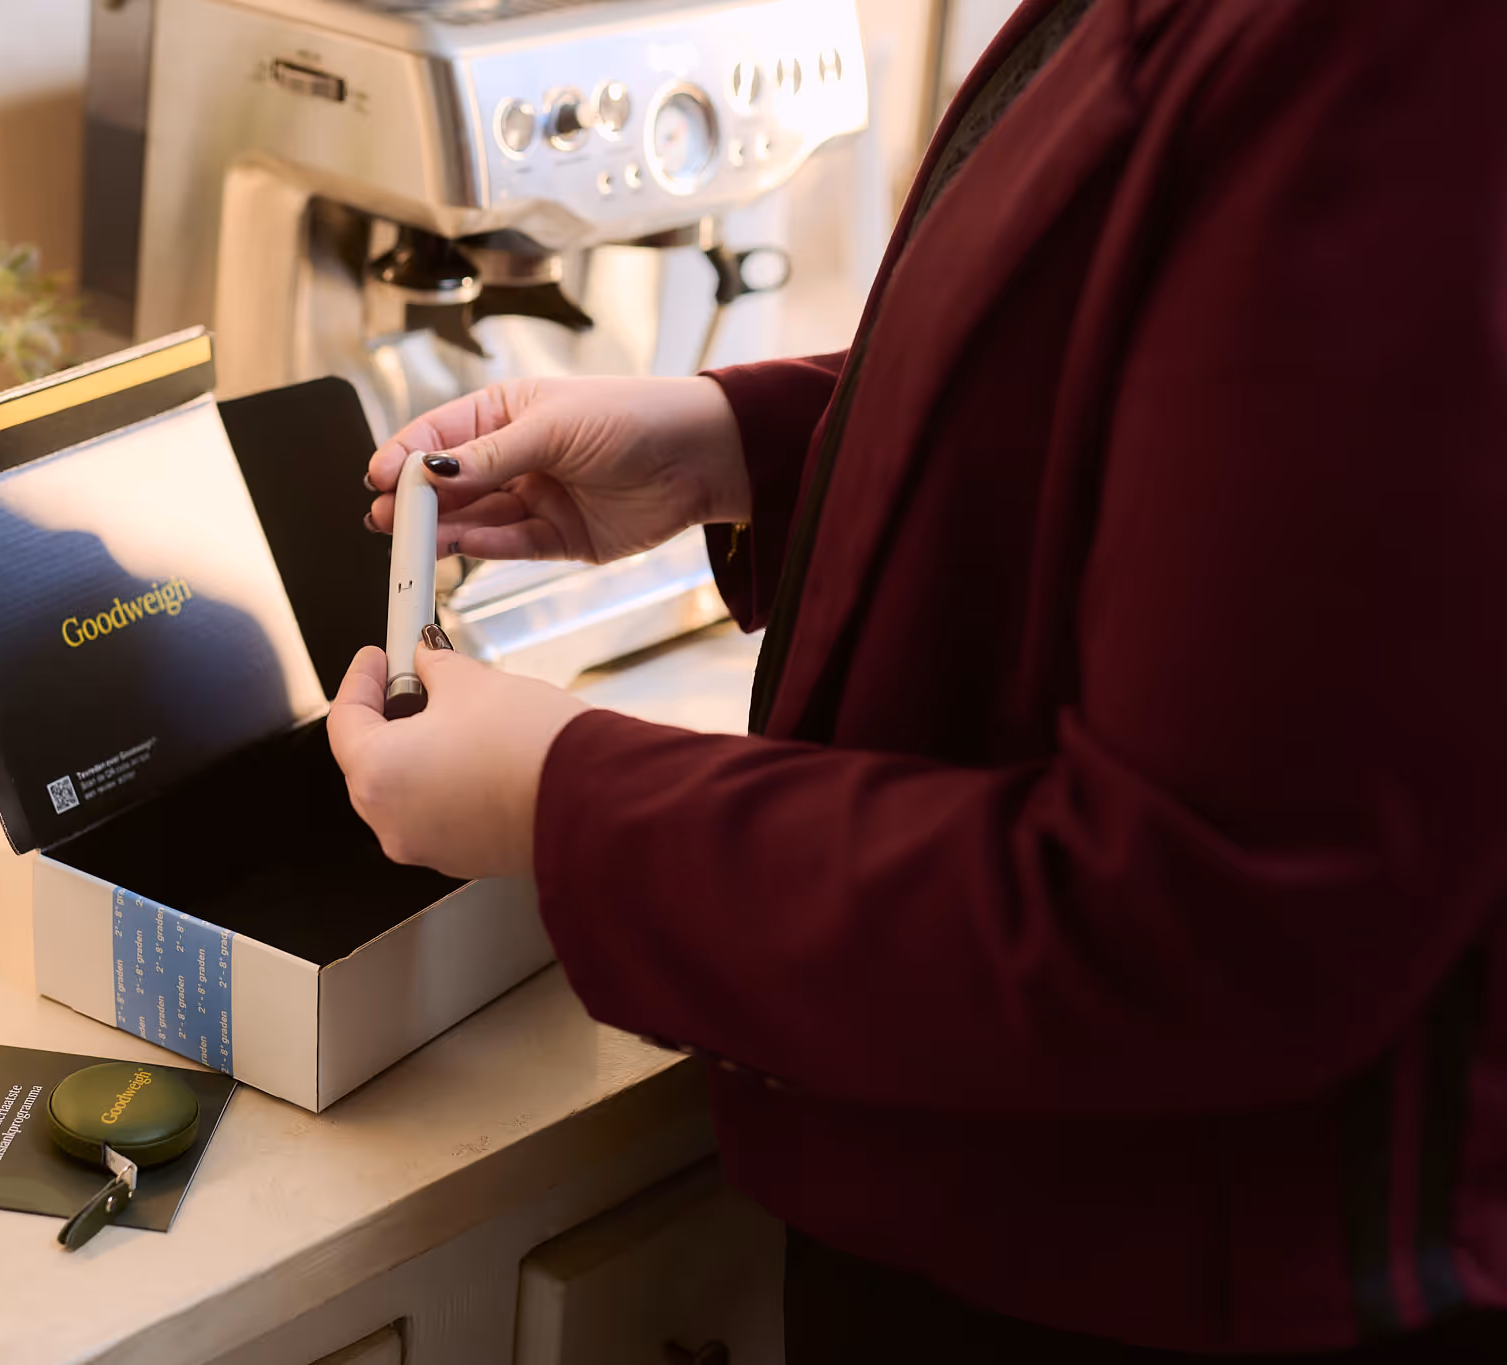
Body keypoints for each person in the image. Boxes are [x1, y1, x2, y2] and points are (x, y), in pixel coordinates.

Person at [331, 0, 1507, 1358]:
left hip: (1157, 1277)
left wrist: (564, 800)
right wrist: (740, 442)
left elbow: (1201, 913)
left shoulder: (1403, 57)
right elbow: (1150, 392)